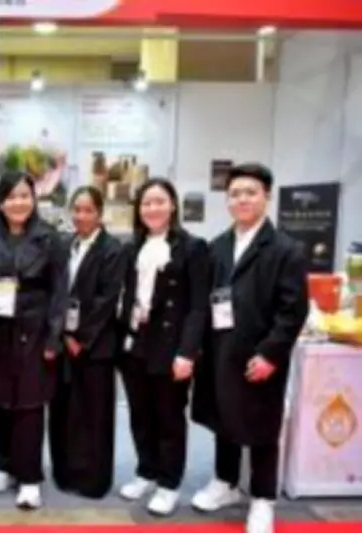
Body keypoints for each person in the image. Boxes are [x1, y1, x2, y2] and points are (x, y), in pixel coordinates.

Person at [190, 164, 308, 533]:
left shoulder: (286, 249)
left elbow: (293, 311)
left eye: (251, 192)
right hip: (219, 350)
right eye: (235, 194)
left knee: (262, 428)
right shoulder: (217, 247)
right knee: (223, 418)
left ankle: (262, 499)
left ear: (266, 196)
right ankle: (225, 483)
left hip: (260, 354)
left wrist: (271, 353)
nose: (242, 199)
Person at [0, 172, 67, 510]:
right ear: (0, 202)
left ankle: (29, 477)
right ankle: (4, 465)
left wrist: (54, 337)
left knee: (29, 405)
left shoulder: (50, 238)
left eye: (24, 195)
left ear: (34, 199)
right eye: (11, 196)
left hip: (35, 331)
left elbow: (60, 291)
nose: (18, 202)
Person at [116, 178, 210, 516]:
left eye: (159, 201)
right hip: (135, 341)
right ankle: (146, 471)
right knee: (140, 414)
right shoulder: (131, 247)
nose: (152, 208)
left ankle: (169, 484)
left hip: (170, 345)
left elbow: (199, 306)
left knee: (169, 417)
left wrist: (187, 352)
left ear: (172, 206)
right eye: (146, 203)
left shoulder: (193, 247)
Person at [48, 186, 127, 499]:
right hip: (63, 341)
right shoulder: (66, 244)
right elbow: (56, 291)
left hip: (95, 346)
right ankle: (65, 474)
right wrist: (61, 334)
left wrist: (81, 337)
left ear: (99, 213)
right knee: (63, 410)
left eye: (88, 210)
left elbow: (107, 299)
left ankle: (94, 480)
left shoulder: (112, 249)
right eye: (77, 210)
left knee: (94, 413)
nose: (81, 216)